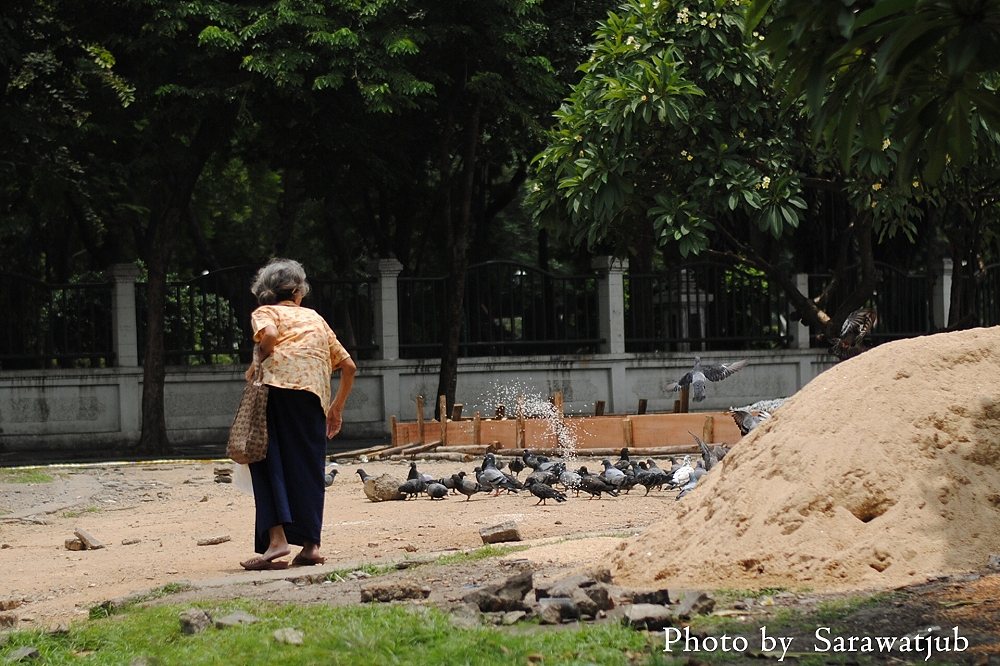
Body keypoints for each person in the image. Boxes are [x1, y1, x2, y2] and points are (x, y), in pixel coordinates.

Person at [239, 258, 356, 570]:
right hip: (313, 398)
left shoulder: (266, 312)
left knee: (265, 460)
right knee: (307, 467)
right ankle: (310, 546)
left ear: (266, 291)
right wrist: (336, 409)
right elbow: (348, 366)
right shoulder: (316, 319)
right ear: (298, 291)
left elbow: (270, 337)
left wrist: (257, 362)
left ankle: (276, 542)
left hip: (275, 392)